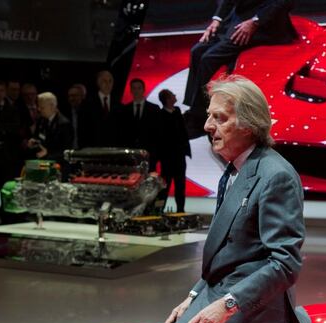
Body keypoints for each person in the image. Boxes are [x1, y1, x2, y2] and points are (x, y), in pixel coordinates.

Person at [125, 74, 312, 323]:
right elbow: (226, 255)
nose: (208, 126)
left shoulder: (275, 176)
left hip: (249, 312)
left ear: (249, 124)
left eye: (219, 118)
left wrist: (225, 305)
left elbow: (285, 264)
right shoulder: (237, 169)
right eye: (210, 116)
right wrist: (194, 298)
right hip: (221, 295)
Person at [182, 0, 297, 135]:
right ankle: (194, 110)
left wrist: (255, 22)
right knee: (197, 51)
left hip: (265, 25)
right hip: (238, 19)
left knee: (208, 59)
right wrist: (217, 20)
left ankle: (201, 118)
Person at [157, 88, 191, 212]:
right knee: (164, 186)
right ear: (167, 99)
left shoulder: (177, 112)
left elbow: (183, 132)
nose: (175, 95)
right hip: (167, 158)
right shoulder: (160, 115)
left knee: (180, 185)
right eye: (172, 95)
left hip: (179, 156)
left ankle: (180, 210)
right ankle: (159, 210)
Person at [119, 78, 160, 168]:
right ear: (131, 90)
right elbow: (122, 132)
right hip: (129, 154)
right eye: (134, 88)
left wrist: (156, 155)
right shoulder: (124, 110)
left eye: (139, 88)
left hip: (149, 154)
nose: (136, 91)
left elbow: (158, 133)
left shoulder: (154, 109)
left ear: (144, 90)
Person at [28, 92, 73, 165]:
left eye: (42, 107)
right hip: (42, 163)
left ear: (52, 106)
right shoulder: (41, 120)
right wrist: (34, 141)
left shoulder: (64, 124)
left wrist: (47, 153)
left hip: (58, 165)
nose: (39, 109)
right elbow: (38, 137)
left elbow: (66, 151)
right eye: (38, 106)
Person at [87, 70, 119, 145]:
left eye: (110, 81)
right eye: (104, 81)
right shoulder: (88, 104)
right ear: (98, 83)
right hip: (94, 147)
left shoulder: (119, 104)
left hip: (114, 147)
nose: (108, 84)